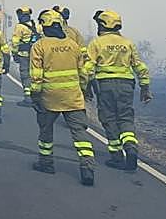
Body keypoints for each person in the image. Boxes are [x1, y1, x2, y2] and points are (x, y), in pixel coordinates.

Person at [30, 9, 96, 186]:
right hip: (73, 98)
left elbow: (36, 77)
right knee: (80, 133)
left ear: (44, 25)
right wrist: (82, 91)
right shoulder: (73, 45)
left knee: (45, 131)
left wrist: (34, 95)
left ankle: (46, 164)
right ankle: (87, 168)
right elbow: (83, 73)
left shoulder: (39, 46)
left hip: (49, 98)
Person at [84, 9, 152, 170]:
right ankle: (131, 147)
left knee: (109, 119)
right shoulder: (127, 43)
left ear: (103, 25)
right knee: (125, 117)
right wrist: (145, 87)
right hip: (126, 85)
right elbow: (140, 66)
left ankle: (116, 157)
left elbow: (88, 68)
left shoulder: (97, 43)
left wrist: (85, 87)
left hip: (105, 85)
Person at [10, 6, 40, 106]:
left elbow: (15, 42)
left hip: (24, 55)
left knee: (25, 75)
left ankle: (28, 98)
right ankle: (37, 97)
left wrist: (14, 53)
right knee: (36, 75)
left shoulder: (19, 27)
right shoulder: (37, 26)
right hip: (36, 55)